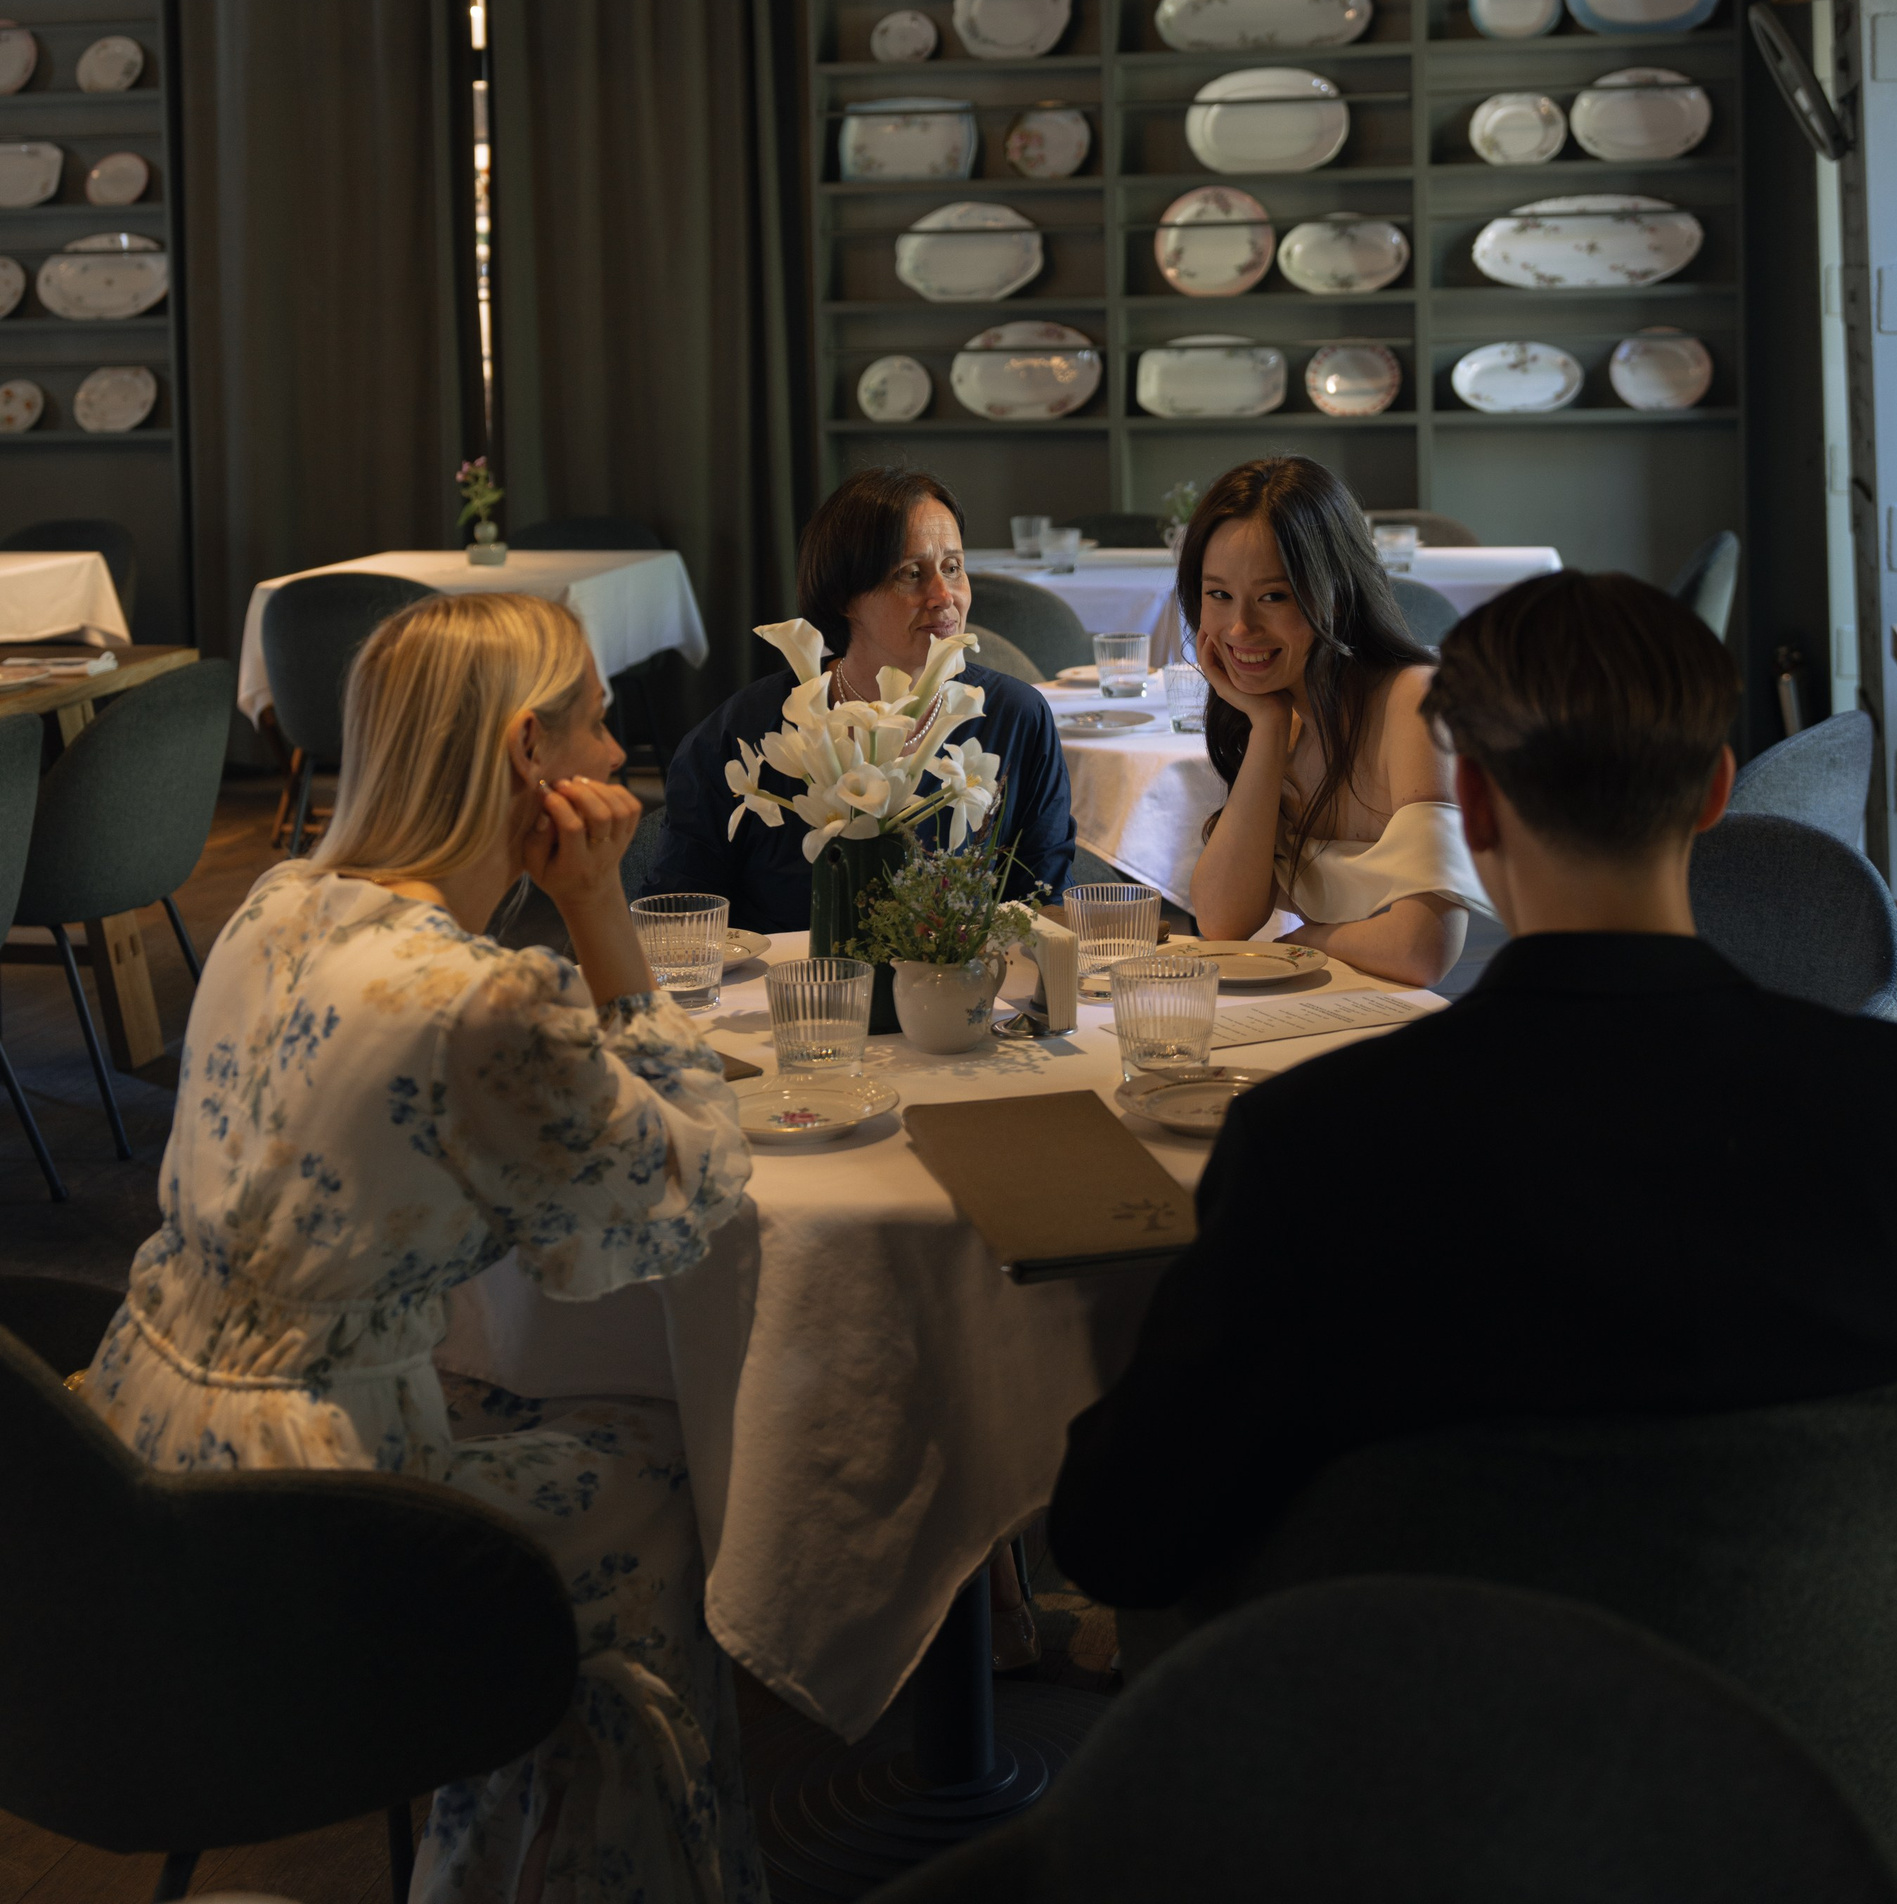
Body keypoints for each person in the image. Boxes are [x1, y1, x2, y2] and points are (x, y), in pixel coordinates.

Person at [1049, 568, 1897, 1624]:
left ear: (1472, 807)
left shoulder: (1319, 1144)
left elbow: (1120, 1535)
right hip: (1830, 1705)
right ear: (1714, 794)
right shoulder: (1893, 1110)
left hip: (1426, 1707)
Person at [80, 593, 761, 1904]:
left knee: (528, 1400)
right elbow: (689, 1191)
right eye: (598, 722)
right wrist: (600, 912)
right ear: (530, 753)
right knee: (662, 1478)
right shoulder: (486, 1004)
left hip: (129, 1468)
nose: (618, 754)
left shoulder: (276, 902)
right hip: (315, 1521)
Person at [648, 466, 1075, 933]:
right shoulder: (740, 733)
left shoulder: (1017, 718)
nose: (943, 596)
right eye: (910, 573)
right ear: (843, 597)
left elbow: (1047, 904)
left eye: (953, 568)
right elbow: (676, 924)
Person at [1181, 454, 1479, 983]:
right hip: (1347, 1002)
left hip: (1450, 1009)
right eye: (1219, 594)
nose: (1240, 627)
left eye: (1274, 596)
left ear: (1337, 596)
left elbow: (1422, 950)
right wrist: (1268, 729)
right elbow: (1224, 921)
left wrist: (1303, 941)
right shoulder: (1277, 715)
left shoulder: (1415, 702)